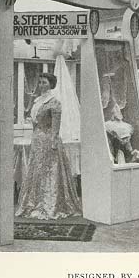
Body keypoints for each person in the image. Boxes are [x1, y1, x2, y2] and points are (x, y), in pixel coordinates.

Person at [16, 73, 82, 220]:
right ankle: (35, 202)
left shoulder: (54, 102)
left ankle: (50, 204)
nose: (41, 85)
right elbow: (34, 122)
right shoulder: (38, 101)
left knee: (49, 171)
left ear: (51, 84)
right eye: (39, 82)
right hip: (37, 139)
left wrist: (53, 143)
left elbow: (56, 126)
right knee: (37, 170)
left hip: (48, 140)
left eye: (44, 82)